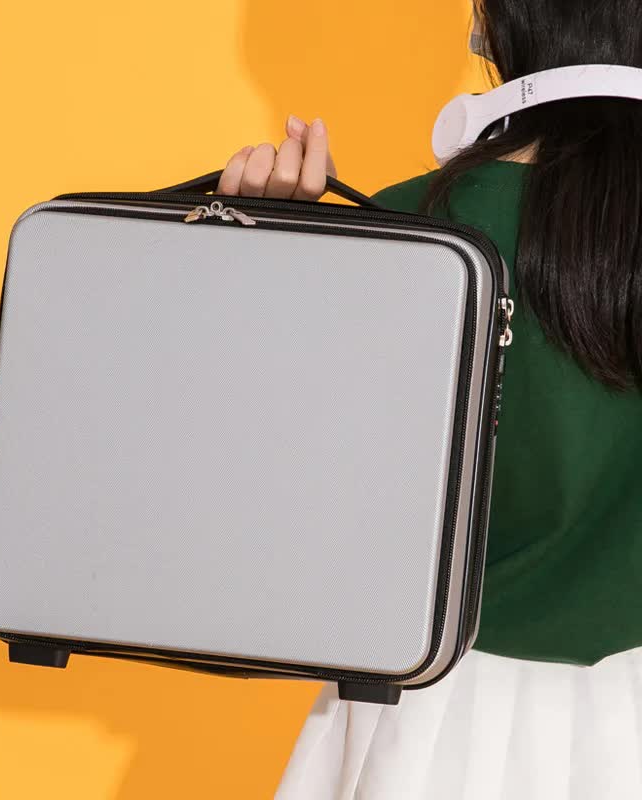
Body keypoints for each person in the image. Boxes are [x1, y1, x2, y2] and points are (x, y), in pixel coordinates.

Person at [220, 1, 642, 797]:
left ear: (497, 23)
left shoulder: (404, 229)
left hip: (430, 717)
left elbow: (282, 502)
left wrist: (268, 263)